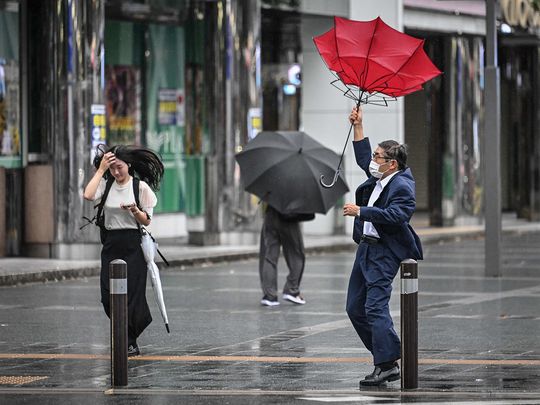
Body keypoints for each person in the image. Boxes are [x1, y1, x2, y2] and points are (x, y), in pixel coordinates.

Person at [342, 106, 423, 387]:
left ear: (393, 164)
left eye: (379, 156)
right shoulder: (380, 175)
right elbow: (364, 158)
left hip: (384, 252)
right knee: (354, 307)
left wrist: (361, 211)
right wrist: (358, 125)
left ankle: (386, 364)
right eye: (375, 154)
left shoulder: (402, 185)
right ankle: (387, 355)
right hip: (365, 248)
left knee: (375, 307)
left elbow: (398, 216)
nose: (373, 161)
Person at [83, 145, 164, 356]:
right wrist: (100, 170)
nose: (116, 172)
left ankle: (128, 340)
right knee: (107, 296)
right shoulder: (106, 185)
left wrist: (135, 210)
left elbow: (147, 221)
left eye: (119, 167)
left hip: (133, 244)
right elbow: (88, 195)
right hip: (111, 243)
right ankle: (128, 335)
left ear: (128, 165)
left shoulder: (140, 188)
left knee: (132, 296)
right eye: (112, 169)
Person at [259, 204, 314, 306]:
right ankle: (291, 289)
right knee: (296, 254)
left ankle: (270, 296)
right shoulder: (299, 187)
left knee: (269, 257)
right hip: (289, 215)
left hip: (271, 213)